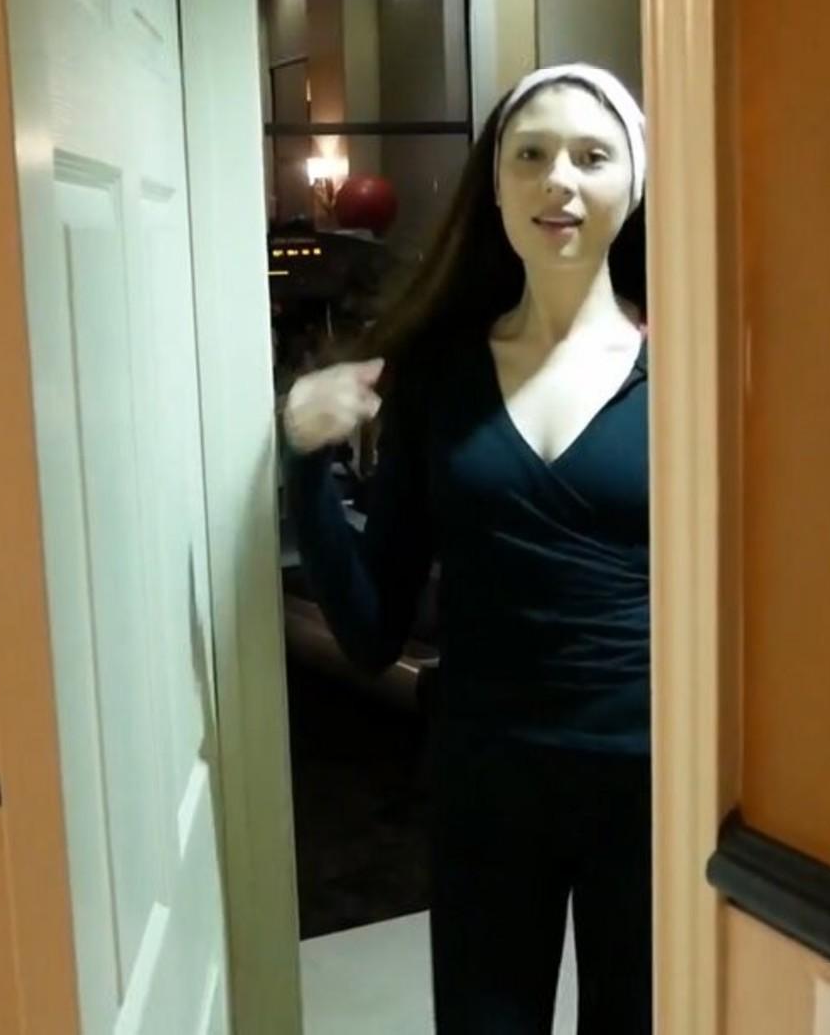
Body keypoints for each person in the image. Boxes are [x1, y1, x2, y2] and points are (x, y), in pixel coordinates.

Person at [282, 63, 651, 1034]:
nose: (558, 179)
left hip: (652, 785)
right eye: (530, 155)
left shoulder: (690, 374)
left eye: (592, 155)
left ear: (635, 183)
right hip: (486, 782)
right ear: (494, 184)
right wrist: (305, 463)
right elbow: (371, 632)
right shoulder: (439, 379)